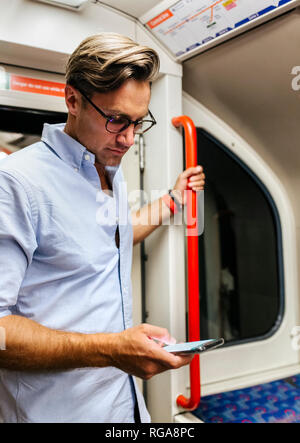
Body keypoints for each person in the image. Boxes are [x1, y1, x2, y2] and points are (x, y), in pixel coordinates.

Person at [0, 33, 205, 423]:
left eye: (138, 122)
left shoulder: (107, 164)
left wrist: (172, 201)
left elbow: (111, 239)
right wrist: (113, 349)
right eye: (116, 120)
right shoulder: (15, 182)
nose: (128, 138)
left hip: (123, 407)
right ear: (73, 99)